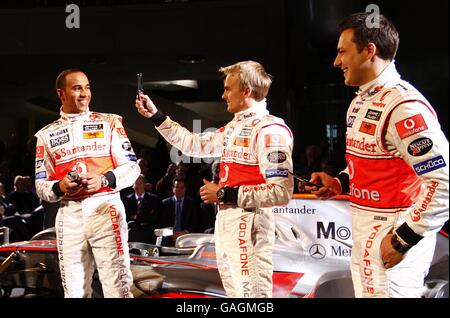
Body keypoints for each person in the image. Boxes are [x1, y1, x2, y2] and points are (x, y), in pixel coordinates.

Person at [306, 12, 449, 298]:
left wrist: (402, 240)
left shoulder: (404, 106)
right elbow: (370, 164)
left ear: (369, 51)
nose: (337, 62)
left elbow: (444, 182)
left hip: (392, 241)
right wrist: (339, 183)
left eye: (342, 51)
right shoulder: (360, 102)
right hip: (364, 234)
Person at [135, 60, 294, 298]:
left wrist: (223, 193)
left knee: (252, 297)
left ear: (246, 91)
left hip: (251, 222)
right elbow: (193, 144)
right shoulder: (234, 128)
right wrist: (157, 116)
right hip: (227, 221)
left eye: (228, 89)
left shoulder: (271, 131)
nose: (223, 95)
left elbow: (281, 193)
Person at [34, 69, 140, 298]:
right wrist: (59, 187)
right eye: (77, 88)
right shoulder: (45, 135)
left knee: (118, 288)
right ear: (61, 94)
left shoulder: (109, 122)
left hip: (106, 208)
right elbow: (41, 186)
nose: (84, 94)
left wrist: (104, 179)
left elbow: (132, 168)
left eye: (87, 87)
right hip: (69, 215)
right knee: (74, 292)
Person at [160, 178, 201, 246]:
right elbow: (162, 222)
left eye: (182, 187)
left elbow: (195, 222)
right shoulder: (165, 203)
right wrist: (171, 233)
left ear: (185, 189)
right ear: (173, 188)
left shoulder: (192, 203)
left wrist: (184, 233)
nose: (180, 190)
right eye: (177, 187)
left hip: (186, 236)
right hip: (169, 235)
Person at [124, 174, 162, 244]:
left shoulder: (153, 199)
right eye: (136, 184)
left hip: (149, 232)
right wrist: (143, 217)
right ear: (133, 186)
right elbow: (127, 217)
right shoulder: (127, 200)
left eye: (140, 184)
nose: (137, 186)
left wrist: (136, 217)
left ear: (144, 185)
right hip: (133, 232)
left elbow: (153, 218)